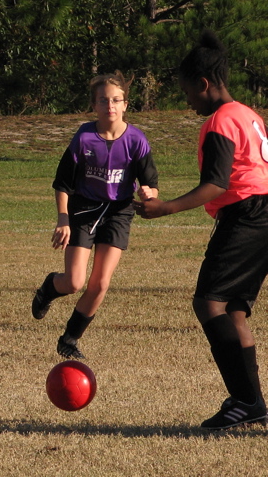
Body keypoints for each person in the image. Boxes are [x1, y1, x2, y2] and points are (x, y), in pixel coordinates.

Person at [134, 31, 268, 430]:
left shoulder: (220, 121)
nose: (188, 100)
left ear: (204, 84)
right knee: (234, 308)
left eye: (188, 91)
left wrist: (165, 208)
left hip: (246, 214)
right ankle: (253, 404)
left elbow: (217, 183)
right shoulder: (249, 114)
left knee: (209, 303)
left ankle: (245, 400)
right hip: (262, 213)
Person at [32, 71, 159, 360]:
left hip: (118, 212)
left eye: (116, 100)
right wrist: (63, 219)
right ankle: (48, 289)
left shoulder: (137, 140)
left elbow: (150, 182)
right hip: (84, 209)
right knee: (74, 282)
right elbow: (63, 183)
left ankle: (70, 339)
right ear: (94, 105)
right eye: (103, 100)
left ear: (125, 105)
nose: (110, 106)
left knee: (100, 283)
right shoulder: (84, 137)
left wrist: (149, 193)